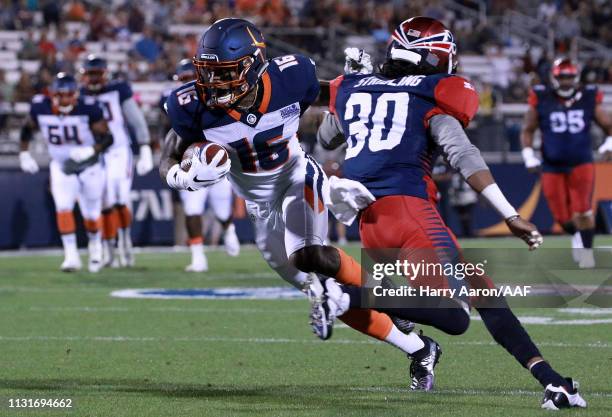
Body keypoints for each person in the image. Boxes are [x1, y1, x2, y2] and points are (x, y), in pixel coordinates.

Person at [316, 17, 585, 410]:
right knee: (456, 315)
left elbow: (326, 139)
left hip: (370, 225)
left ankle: (552, 382)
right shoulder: (432, 94)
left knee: (484, 292)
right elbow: (463, 156)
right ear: (433, 57)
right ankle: (343, 296)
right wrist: (509, 214)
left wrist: (351, 78)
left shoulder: (355, 87)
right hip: (409, 214)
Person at [160, 18, 429, 386]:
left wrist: (356, 84)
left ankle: (394, 300)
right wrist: (183, 177)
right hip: (259, 207)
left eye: (224, 73)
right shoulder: (191, 106)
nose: (213, 84)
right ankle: (418, 349)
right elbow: (168, 157)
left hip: (297, 177)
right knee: (322, 291)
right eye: (208, 73)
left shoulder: (290, 78)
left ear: (253, 65)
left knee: (309, 255)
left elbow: (332, 95)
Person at [521, 57, 612, 268]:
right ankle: (578, 235)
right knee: (561, 217)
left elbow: (608, 124)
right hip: (552, 165)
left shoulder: (587, 96)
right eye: (562, 77)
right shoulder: (542, 96)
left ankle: (587, 253)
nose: (566, 82)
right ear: (554, 77)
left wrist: (609, 142)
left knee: (583, 209)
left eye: (569, 77)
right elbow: (528, 128)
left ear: (576, 77)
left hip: (581, 162)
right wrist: (528, 154)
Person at [19, 73, 113, 272]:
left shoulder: (88, 108)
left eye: (69, 95)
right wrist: (24, 154)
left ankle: (95, 247)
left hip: (90, 166)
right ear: (53, 94)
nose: (65, 99)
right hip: (62, 166)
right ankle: (71, 256)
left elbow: (108, 138)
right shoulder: (40, 107)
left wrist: (91, 150)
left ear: (75, 95)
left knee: (91, 213)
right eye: (60, 95)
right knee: (63, 207)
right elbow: (27, 128)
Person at [159, 59, 240, 272]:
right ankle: (198, 256)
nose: (185, 85)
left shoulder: (219, 96)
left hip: (217, 158)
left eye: (189, 79)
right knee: (192, 208)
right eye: (182, 79)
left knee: (222, 209)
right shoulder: (173, 102)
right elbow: (169, 132)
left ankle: (229, 229)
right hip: (190, 156)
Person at [79, 55, 154, 268]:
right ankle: (108, 248)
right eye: (90, 74)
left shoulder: (118, 90)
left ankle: (125, 241)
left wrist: (145, 145)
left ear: (104, 73)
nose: (93, 79)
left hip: (118, 151)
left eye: (97, 74)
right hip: (94, 153)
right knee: (102, 201)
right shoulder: (79, 95)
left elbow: (136, 119)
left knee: (119, 198)